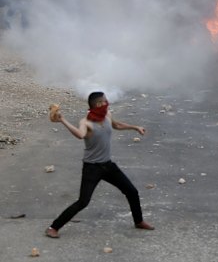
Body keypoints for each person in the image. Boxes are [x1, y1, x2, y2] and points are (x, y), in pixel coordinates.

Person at [45, 92, 154, 238]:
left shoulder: (107, 114)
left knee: (132, 191)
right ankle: (53, 227)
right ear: (98, 104)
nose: (107, 102)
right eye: (104, 101)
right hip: (92, 168)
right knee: (83, 202)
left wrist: (135, 127)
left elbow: (116, 125)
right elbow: (80, 134)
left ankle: (139, 221)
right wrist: (63, 120)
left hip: (108, 166)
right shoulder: (86, 122)